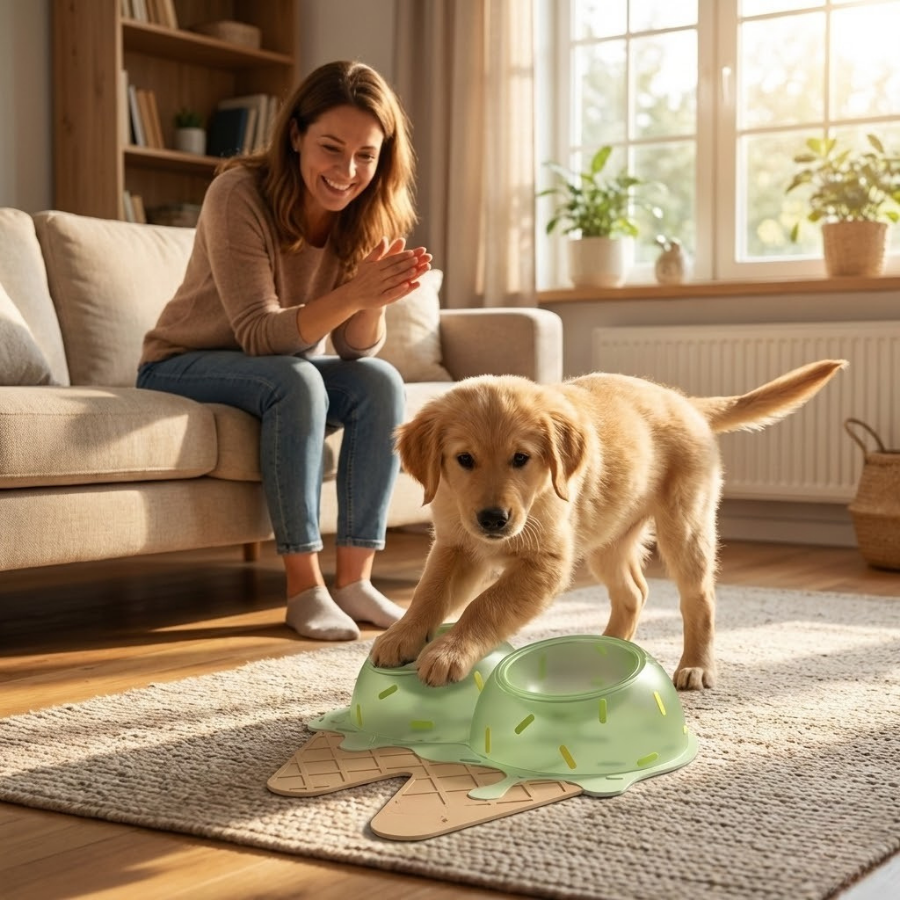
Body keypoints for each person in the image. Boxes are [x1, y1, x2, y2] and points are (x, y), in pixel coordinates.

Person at [137, 60, 431, 642]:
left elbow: (352, 348)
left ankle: (354, 581)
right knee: (296, 379)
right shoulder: (238, 192)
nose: (347, 172)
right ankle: (304, 588)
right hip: (182, 363)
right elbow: (259, 334)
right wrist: (354, 291)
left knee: (379, 381)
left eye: (366, 156)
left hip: (273, 368)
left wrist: (373, 298)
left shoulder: (366, 210)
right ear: (295, 134)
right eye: (330, 147)